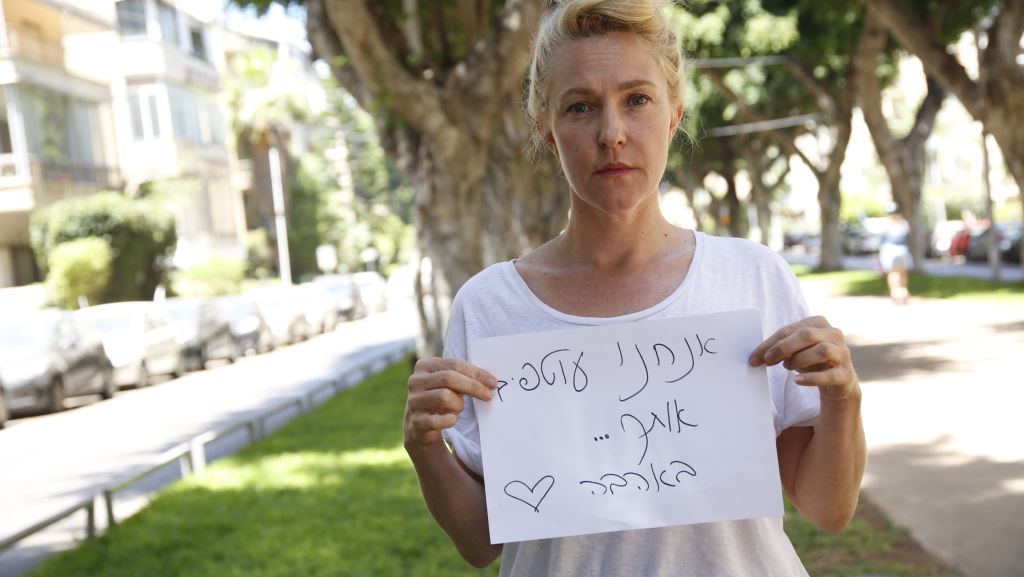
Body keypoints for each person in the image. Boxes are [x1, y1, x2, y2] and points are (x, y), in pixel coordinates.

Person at [403, 1, 866, 574]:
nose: (611, 134)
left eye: (637, 100)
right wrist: (424, 446)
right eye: (580, 107)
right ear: (547, 131)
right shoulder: (489, 305)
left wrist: (843, 400)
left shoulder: (752, 277)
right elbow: (480, 542)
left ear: (674, 117)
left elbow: (828, 508)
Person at [878, 204, 912, 304]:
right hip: (902, 250)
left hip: (890, 250)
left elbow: (882, 241)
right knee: (902, 273)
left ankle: (896, 292)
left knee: (893, 273)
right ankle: (902, 291)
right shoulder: (904, 224)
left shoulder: (887, 224)